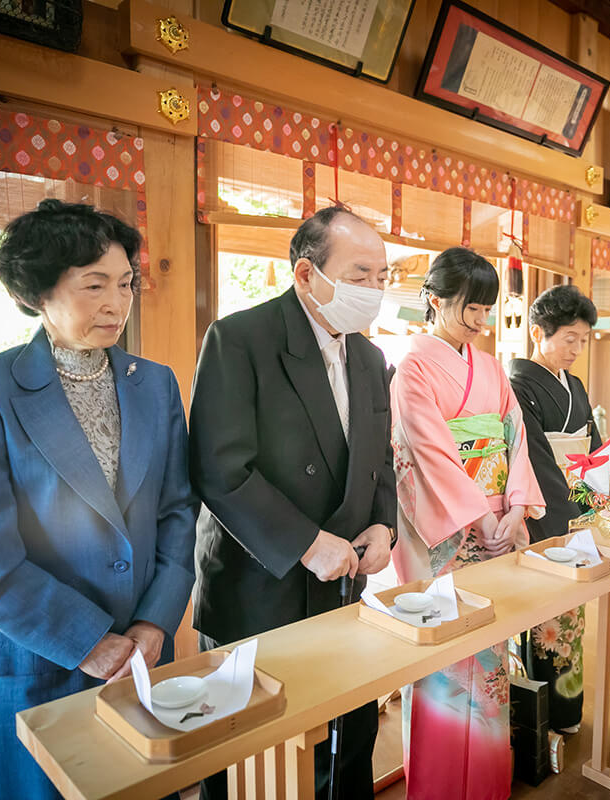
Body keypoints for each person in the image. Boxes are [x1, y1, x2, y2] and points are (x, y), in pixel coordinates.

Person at [0, 200, 198, 799]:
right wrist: (87, 641)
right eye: (94, 285)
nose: (117, 302)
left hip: (141, 651)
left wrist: (156, 621)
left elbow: (177, 510)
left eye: (126, 283)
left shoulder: (154, 383)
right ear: (38, 292)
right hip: (43, 655)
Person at [189, 206, 396, 800]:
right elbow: (219, 468)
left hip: (343, 583)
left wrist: (384, 524)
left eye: (382, 277)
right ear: (306, 275)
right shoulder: (240, 338)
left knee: (348, 739)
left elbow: (378, 455)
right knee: (247, 759)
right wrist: (305, 543)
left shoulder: (369, 356)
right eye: (360, 276)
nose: (375, 291)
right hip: (260, 583)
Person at [390, 247, 545, 800]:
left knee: (490, 657)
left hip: (497, 523)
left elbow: (515, 439)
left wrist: (517, 507)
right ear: (434, 301)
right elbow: (428, 452)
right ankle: (435, 787)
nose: (482, 322)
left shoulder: (492, 368)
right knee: (443, 660)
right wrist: (478, 514)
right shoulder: (412, 367)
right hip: (449, 535)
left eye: (487, 310)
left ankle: (483, 784)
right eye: (471, 310)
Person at [507, 284, 600, 734]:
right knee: (543, 618)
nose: (576, 349)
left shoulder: (575, 386)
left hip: (572, 513)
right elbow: (537, 461)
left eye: (583, 340)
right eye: (569, 339)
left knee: (570, 620)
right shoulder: (518, 385)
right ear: (537, 332)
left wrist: (594, 503)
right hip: (543, 516)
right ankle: (539, 717)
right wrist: (570, 517)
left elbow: (594, 451)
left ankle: (565, 711)